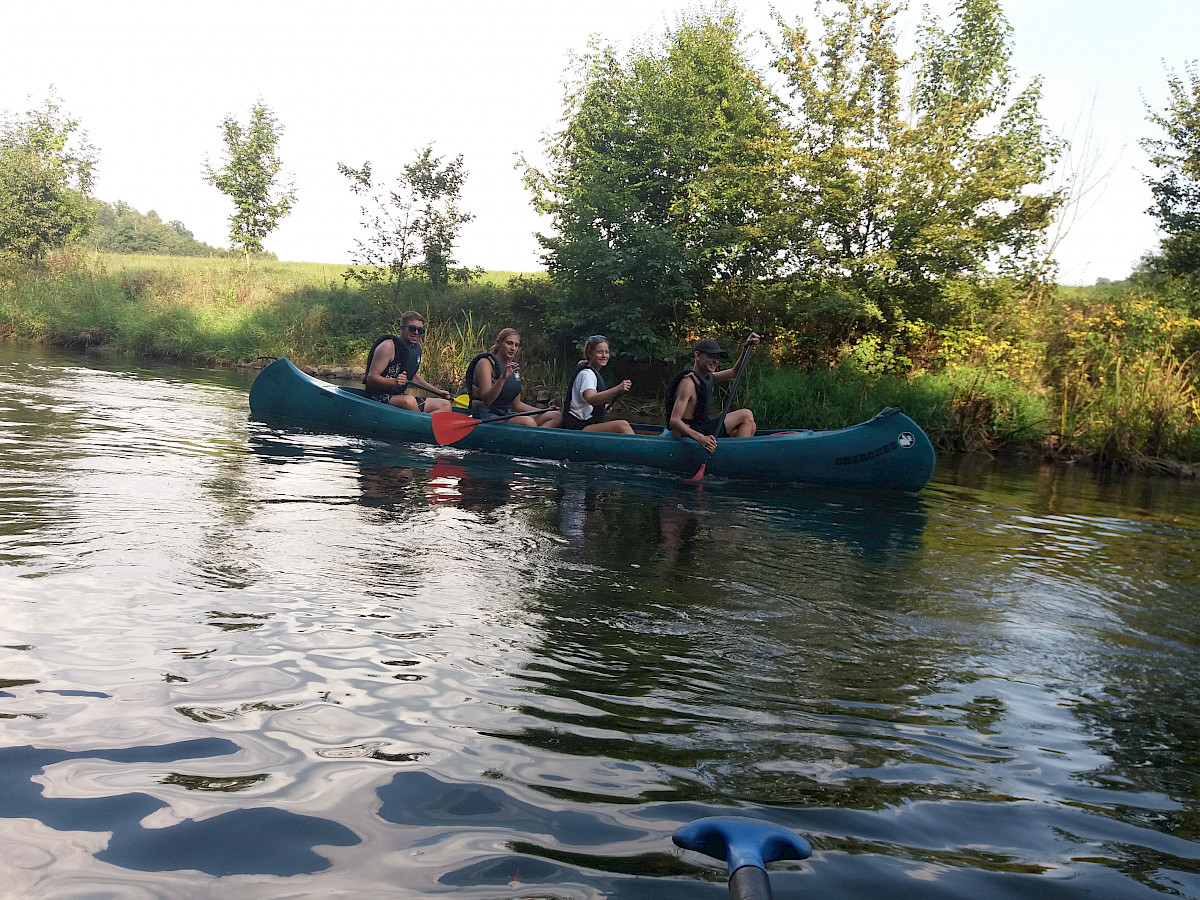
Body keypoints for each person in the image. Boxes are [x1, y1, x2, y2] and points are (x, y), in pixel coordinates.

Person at [665, 334, 761, 452]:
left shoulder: (708, 378)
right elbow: (674, 421)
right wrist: (701, 438)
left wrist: (746, 348)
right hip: (689, 434)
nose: (715, 361)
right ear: (697, 356)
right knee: (746, 414)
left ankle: (735, 455)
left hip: (702, 427)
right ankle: (736, 457)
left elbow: (735, 372)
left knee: (750, 424)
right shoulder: (688, 383)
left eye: (717, 358)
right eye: (711, 356)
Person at [462, 328, 561, 427]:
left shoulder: (513, 365)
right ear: (498, 343)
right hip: (485, 415)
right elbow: (487, 401)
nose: (513, 348)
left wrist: (544, 411)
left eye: (516, 345)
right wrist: (503, 378)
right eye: (509, 343)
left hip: (504, 414)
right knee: (527, 422)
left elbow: (517, 405)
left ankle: (536, 440)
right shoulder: (485, 363)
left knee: (555, 416)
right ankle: (535, 440)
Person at [363, 311, 453, 412]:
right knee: (409, 401)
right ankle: (420, 423)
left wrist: (438, 391)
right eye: (412, 329)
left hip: (399, 396)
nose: (416, 333)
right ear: (401, 328)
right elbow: (371, 378)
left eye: (420, 330)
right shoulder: (388, 346)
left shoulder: (414, 349)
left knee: (444, 405)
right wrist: (394, 382)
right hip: (376, 397)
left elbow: (413, 377)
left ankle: (423, 426)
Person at [560, 335, 635, 433]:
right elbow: (591, 398)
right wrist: (617, 389)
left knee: (621, 425)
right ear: (590, 353)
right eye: (600, 352)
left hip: (584, 425)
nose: (604, 355)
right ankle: (642, 448)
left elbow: (585, 405)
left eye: (606, 352)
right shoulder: (587, 374)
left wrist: (601, 408)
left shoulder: (591, 373)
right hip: (577, 427)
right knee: (622, 425)